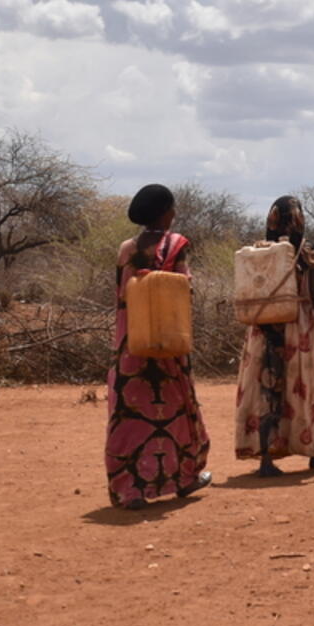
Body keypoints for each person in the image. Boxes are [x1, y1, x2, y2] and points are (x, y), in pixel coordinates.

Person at [105, 184, 212, 510]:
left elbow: (121, 292)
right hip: (167, 340)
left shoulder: (127, 248)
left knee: (129, 414)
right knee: (178, 409)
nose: (174, 214)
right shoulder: (176, 245)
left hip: (130, 342)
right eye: (172, 208)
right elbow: (183, 291)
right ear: (164, 212)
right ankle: (184, 478)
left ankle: (130, 489)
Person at [235, 195, 314, 476]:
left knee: (265, 390)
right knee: (305, 388)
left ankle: (266, 459)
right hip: (299, 330)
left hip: (262, 330)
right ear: (299, 220)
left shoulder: (260, 251)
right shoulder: (309, 254)